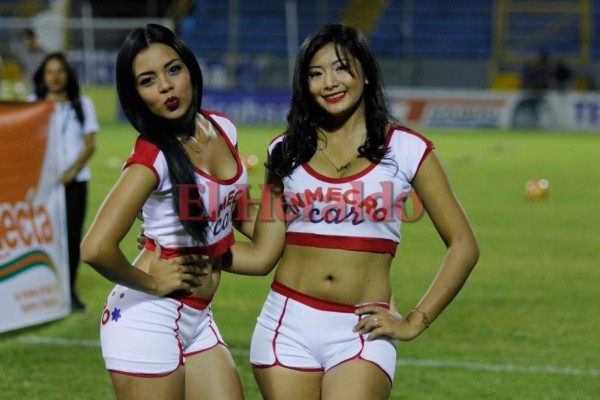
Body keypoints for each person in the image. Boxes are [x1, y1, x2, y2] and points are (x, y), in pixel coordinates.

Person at [224, 23, 480, 399]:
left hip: (361, 329)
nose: (329, 82)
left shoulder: (407, 149)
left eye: (341, 67)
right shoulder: (285, 150)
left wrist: (414, 321)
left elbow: (463, 244)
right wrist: (200, 224)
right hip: (286, 323)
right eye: (316, 73)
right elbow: (268, 241)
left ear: (365, 73)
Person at [80, 24, 255, 399]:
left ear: (190, 69)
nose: (165, 85)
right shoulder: (152, 156)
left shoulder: (222, 127)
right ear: (136, 95)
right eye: (148, 80)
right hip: (147, 318)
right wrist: (155, 283)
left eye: (173, 69)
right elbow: (95, 247)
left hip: (197, 317)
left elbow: (239, 211)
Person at [31, 52, 99, 312]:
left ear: (67, 75)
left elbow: (90, 144)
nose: (55, 76)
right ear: (43, 76)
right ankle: (39, 293)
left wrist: (72, 170)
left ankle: (68, 292)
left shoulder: (82, 104)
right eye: (50, 71)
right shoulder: (33, 104)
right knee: (42, 238)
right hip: (43, 185)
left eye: (60, 71)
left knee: (71, 239)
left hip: (76, 182)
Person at [13, 28, 47, 93]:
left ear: (33, 38)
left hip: (42, 87)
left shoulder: (43, 54)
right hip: (29, 88)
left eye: (28, 38)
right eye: (25, 39)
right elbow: (22, 71)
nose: (26, 41)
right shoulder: (23, 55)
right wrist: (19, 84)